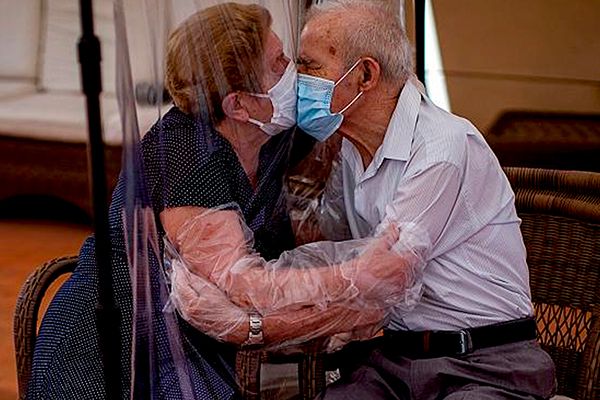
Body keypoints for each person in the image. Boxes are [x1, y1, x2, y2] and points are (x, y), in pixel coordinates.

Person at [27, 3, 354, 399]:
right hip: (115, 347)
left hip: (194, 347)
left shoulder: (272, 139)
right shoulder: (183, 151)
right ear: (238, 104)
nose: (293, 72)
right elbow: (242, 284)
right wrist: (358, 286)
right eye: (279, 63)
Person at [292, 1, 555, 399]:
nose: (298, 80)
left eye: (310, 67)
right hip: (397, 362)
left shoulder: (440, 147)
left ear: (364, 74)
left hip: (485, 364)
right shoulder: (349, 148)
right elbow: (329, 242)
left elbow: (385, 276)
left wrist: (260, 319)